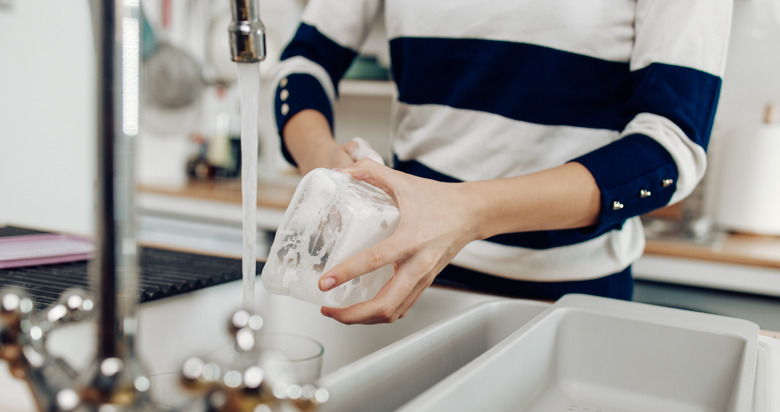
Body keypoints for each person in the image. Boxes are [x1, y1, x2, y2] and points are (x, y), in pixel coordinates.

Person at [269, 0, 733, 324]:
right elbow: (304, 63)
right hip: (399, 278)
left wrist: (466, 212)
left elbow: (669, 148)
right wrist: (329, 170)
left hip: (568, 299)